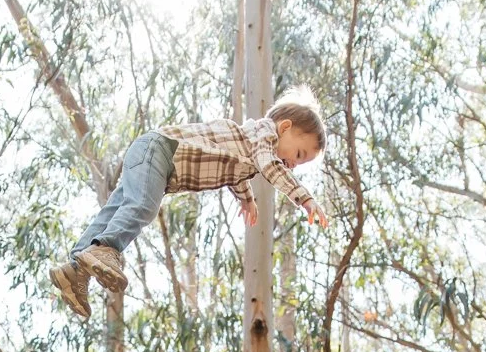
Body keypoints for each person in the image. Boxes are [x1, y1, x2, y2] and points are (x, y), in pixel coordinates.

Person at [50, 87, 329, 318]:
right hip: (161, 151)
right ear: (285, 127)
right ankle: (106, 248)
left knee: (114, 211)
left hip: (149, 153)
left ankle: (74, 271)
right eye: (299, 153)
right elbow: (269, 165)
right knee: (144, 207)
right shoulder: (265, 134)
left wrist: (247, 199)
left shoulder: (250, 148)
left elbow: (235, 171)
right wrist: (304, 198)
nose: (293, 165)